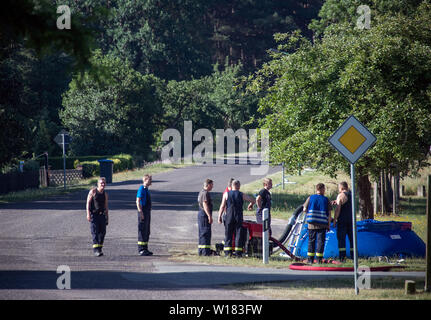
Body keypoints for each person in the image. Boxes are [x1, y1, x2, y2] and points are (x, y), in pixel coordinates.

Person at [217, 180, 255, 257]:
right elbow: (252, 200)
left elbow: (222, 206)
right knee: (238, 234)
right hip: (238, 216)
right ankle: (238, 253)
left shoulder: (226, 194)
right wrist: (250, 205)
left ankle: (228, 253)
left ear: (232, 185)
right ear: (238, 186)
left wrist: (219, 217)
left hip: (229, 216)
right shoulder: (241, 194)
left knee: (228, 234)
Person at [303, 183, 331, 264]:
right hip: (322, 224)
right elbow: (329, 214)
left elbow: (304, 209)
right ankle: (319, 260)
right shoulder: (326, 199)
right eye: (324, 189)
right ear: (322, 189)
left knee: (311, 241)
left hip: (311, 224)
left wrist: (309, 215)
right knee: (320, 242)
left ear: (316, 189)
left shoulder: (310, 198)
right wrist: (328, 225)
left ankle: (310, 259)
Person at [86, 177, 109, 257]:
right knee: (95, 232)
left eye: (104, 183)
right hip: (94, 215)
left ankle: (99, 249)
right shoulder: (93, 192)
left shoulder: (105, 194)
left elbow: (106, 206)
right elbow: (88, 203)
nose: (103, 184)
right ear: (98, 184)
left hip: (102, 215)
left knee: (102, 232)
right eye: (101, 183)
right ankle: (96, 250)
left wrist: (107, 217)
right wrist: (88, 214)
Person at [332, 181, 354, 262]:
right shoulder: (352, 195)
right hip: (351, 220)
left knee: (341, 239)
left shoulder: (340, 195)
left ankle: (342, 258)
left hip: (342, 221)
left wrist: (334, 220)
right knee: (352, 239)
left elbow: (338, 209)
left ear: (341, 188)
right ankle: (353, 257)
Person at [136, 174, 153, 256]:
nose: (151, 182)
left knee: (147, 231)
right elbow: (137, 201)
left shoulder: (146, 189)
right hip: (142, 212)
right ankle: (141, 249)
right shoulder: (141, 189)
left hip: (147, 212)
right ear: (145, 180)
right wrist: (141, 212)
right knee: (142, 231)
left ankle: (145, 248)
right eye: (150, 180)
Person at [197, 179, 214, 256]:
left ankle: (201, 251)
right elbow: (205, 205)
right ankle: (205, 252)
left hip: (202, 214)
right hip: (204, 214)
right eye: (211, 185)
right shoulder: (205, 193)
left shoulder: (202, 192)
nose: (212, 186)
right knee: (205, 232)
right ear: (207, 185)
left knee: (202, 232)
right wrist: (209, 216)